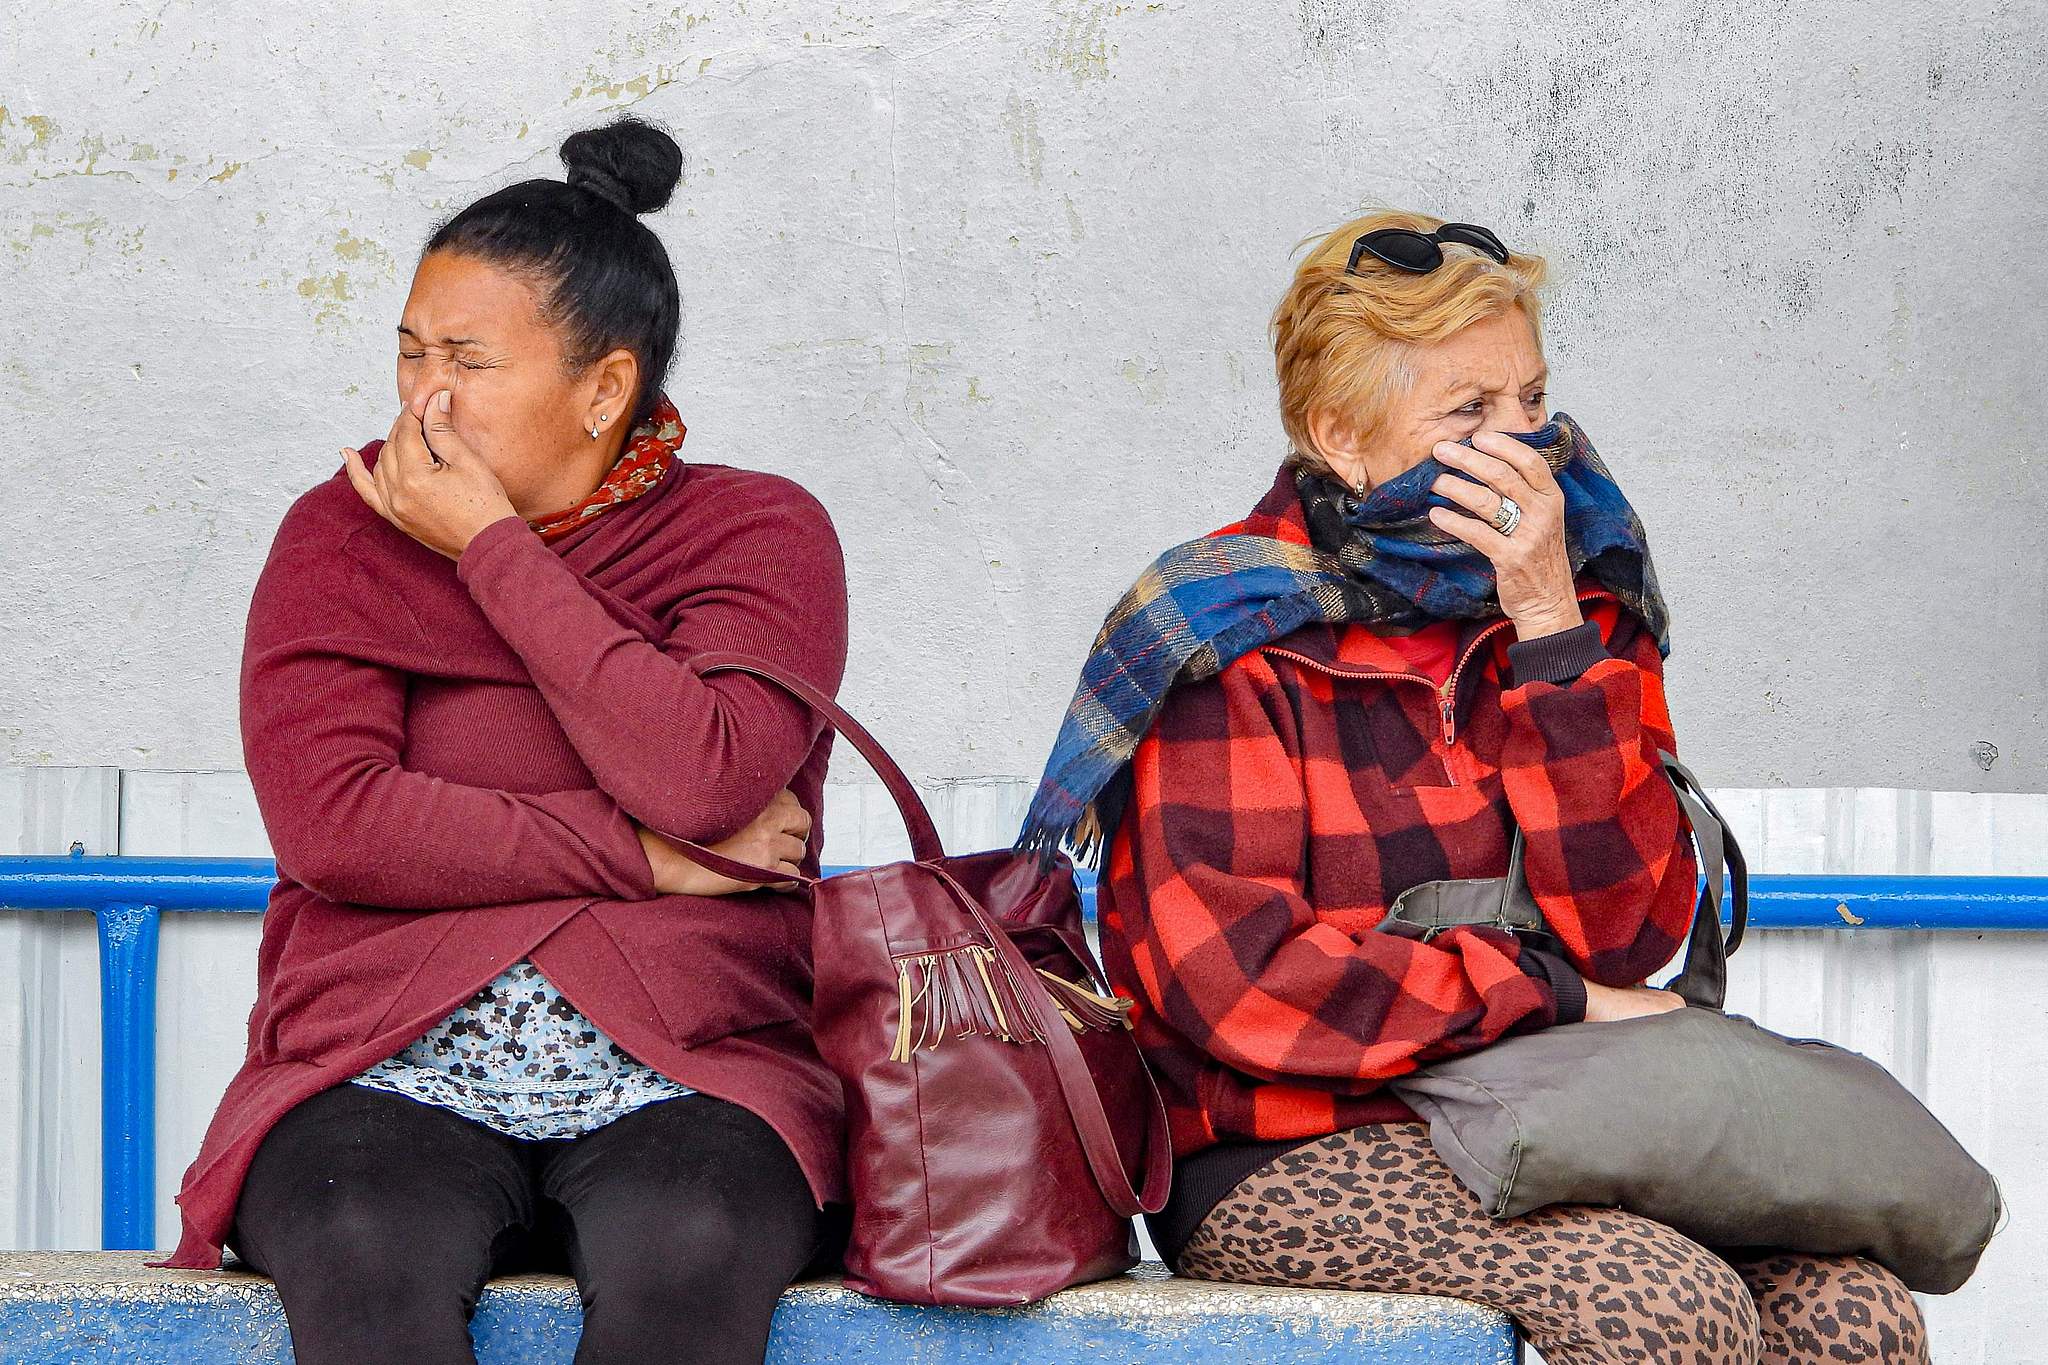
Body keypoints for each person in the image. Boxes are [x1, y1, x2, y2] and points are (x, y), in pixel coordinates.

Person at [1019, 210, 1927, 1364]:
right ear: (1339, 436)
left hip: (1563, 1115)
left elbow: (1628, 936)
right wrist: (1540, 996)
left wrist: (1548, 627)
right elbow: (1238, 986)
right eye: (1468, 413)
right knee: (1657, 1302)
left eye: (1530, 403)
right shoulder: (1227, 634)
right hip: (1293, 1149)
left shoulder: (1574, 600)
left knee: (1851, 1308)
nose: (1525, 447)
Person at [151, 118, 851, 1365]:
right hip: (378, 1063)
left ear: (604, 389)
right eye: (411, 352)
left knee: (690, 1245)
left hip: (693, 1068)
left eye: (469, 360)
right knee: (359, 1247)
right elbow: (340, 826)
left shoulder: (759, 533)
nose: (426, 398)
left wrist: (491, 549)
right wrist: (642, 858)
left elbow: (702, 772)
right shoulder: (339, 534)